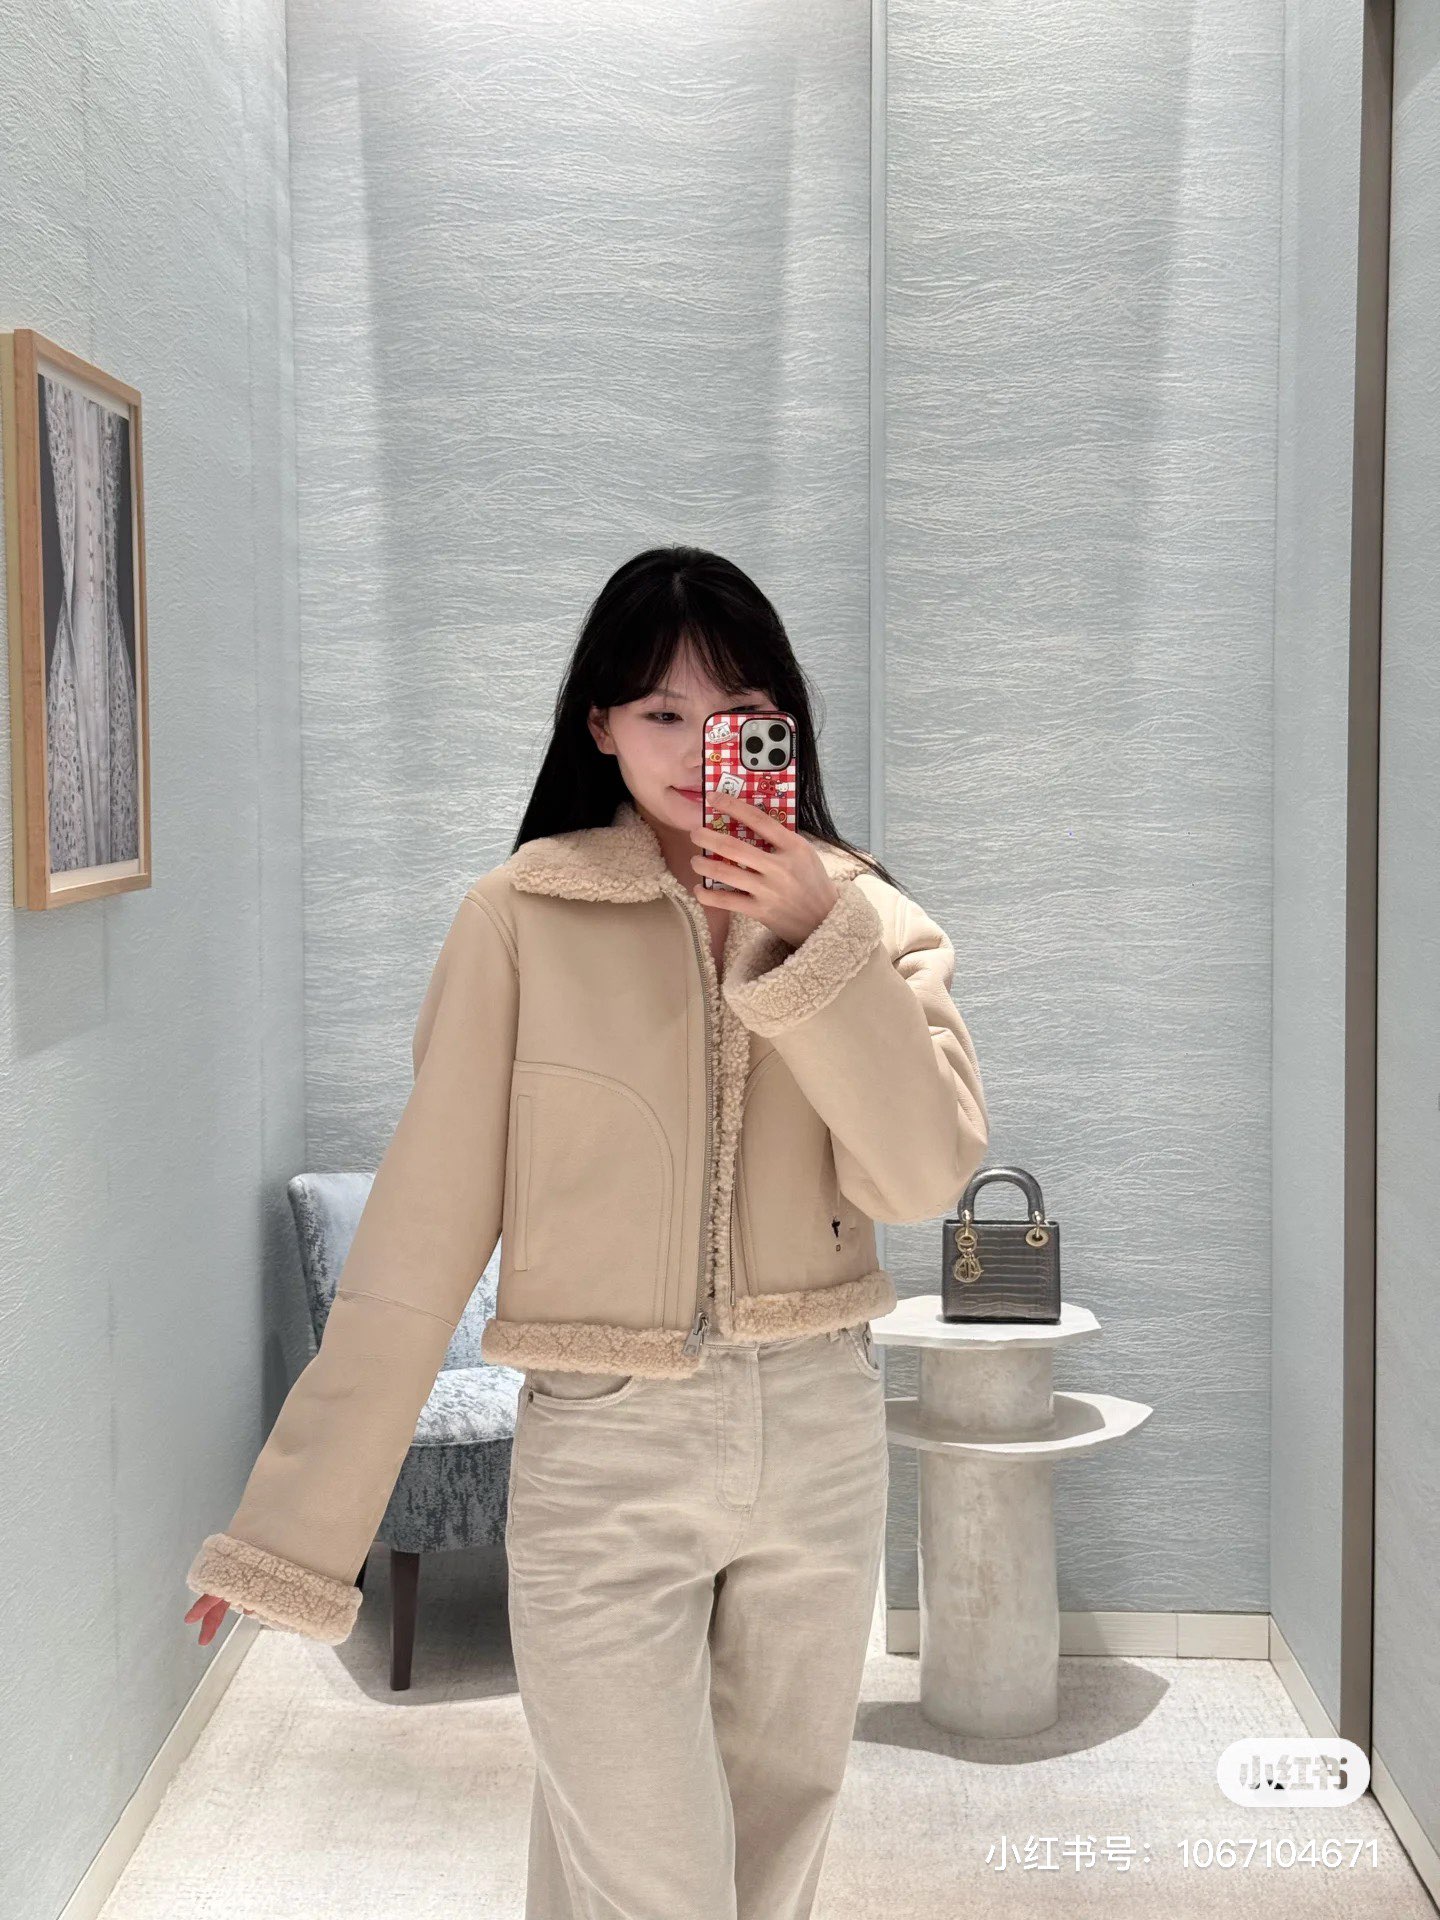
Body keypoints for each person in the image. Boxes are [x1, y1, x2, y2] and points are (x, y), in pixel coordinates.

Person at [184, 544, 989, 1919]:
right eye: (661, 711)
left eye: (737, 712)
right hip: (606, 1448)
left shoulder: (870, 919)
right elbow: (415, 1248)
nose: (696, 746)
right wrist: (294, 1536)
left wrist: (818, 942)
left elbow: (920, 1176)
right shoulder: (519, 920)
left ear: (784, 727)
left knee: (769, 1856)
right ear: (600, 726)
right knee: (650, 1873)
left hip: (820, 1436)